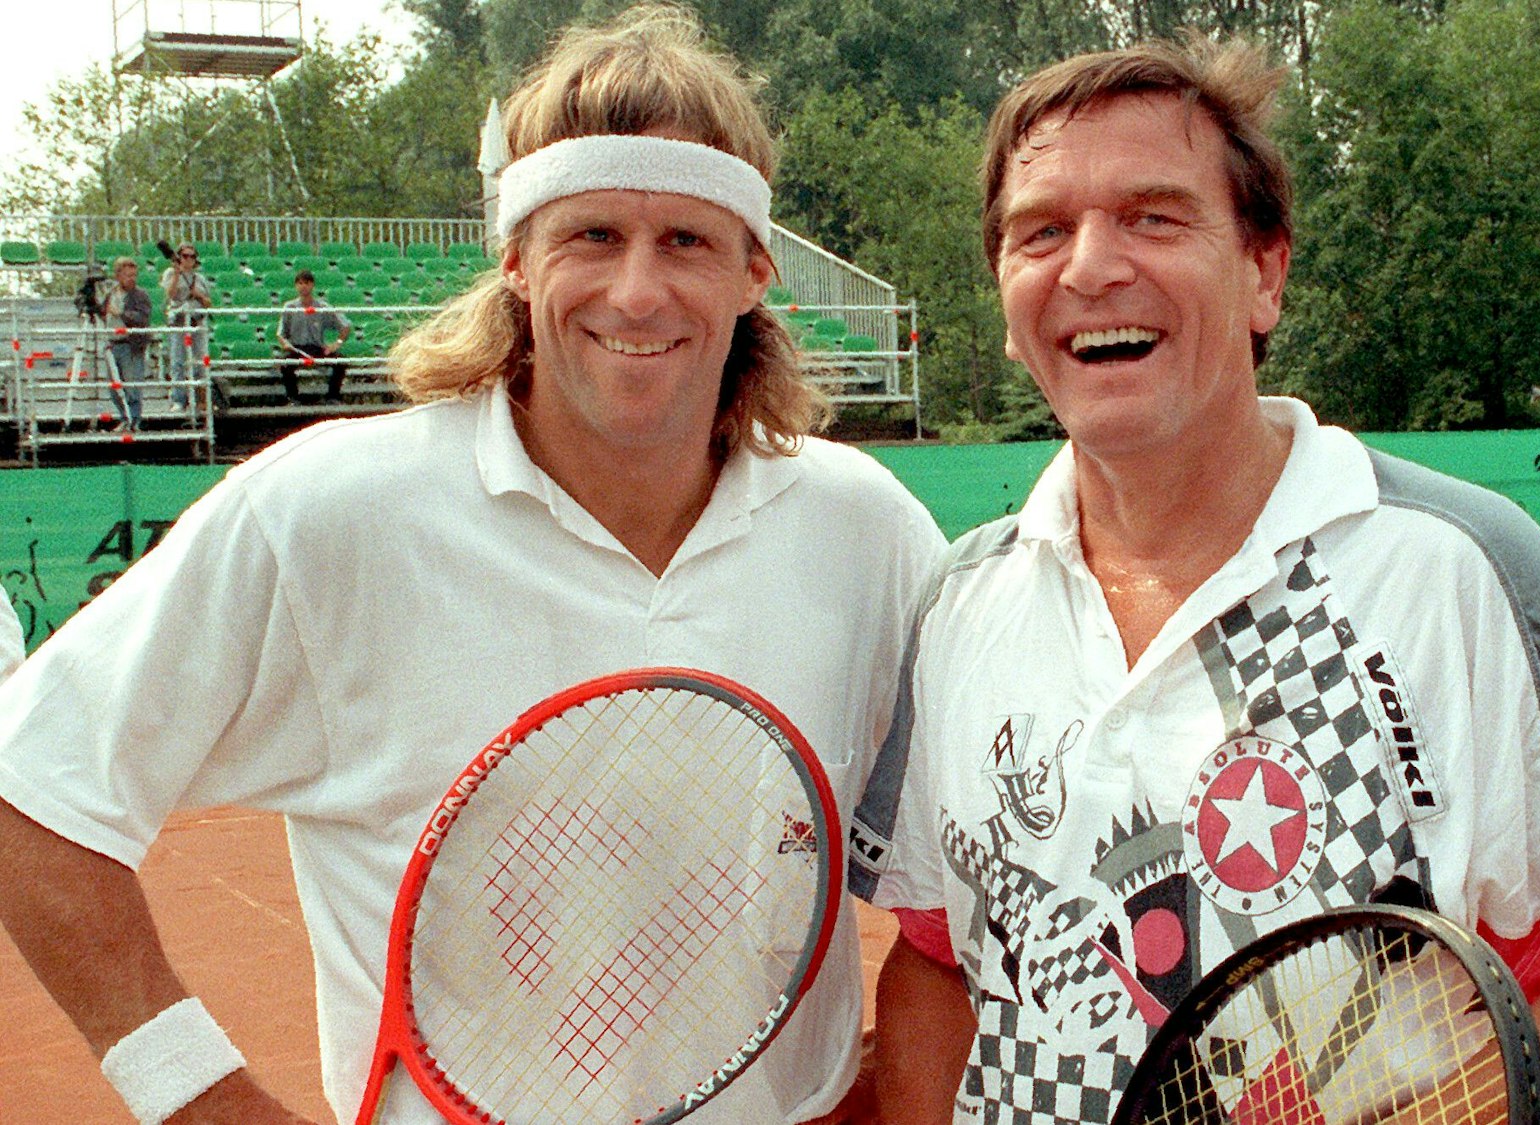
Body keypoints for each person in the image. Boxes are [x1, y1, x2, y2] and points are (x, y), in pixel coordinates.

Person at [0, 8, 941, 1125]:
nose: (636, 293)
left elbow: (965, 876)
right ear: (514, 262)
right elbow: (31, 790)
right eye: (591, 236)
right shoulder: (329, 510)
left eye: (684, 241)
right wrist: (200, 1102)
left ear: (752, 272)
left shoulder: (865, 527)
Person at [850, 34, 1540, 1125]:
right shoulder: (957, 601)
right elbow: (936, 965)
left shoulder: (1459, 565)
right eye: (1041, 232)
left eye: (1153, 217)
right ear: (1005, 303)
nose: (1089, 266)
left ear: (1263, 271)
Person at [275, 268, 352, 404]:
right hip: (296, 348)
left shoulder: (322, 307)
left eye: (306, 283)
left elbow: (345, 326)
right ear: (296, 286)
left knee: (340, 362)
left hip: (316, 348)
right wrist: (285, 344)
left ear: (312, 285)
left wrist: (336, 344)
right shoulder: (289, 307)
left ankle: (332, 397)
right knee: (285, 364)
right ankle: (293, 398)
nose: (303, 286)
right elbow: (280, 333)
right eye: (300, 283)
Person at [99, 256, 152, 431]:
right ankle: (124, 416)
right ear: (119, 275)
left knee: (132, 384)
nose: (132, 279)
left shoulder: (140, 295)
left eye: (134, 275)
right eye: (128, 275)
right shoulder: (111, 294)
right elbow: (102, 311)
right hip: (113, 343)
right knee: (115, 386)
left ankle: (134, 419)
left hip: (130, 343)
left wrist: (122, 313)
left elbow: (143, 318)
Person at [160, 242, 214, 410]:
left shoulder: (200, 278)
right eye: (185, 256)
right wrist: (177, 274)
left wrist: (197, 294)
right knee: (177, 361)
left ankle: (200, 399)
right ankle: (178, 399)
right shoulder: (170, 273)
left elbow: (208, 302)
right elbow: (169, 295)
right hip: (179, 321)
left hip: (196, 320)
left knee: (200, 361)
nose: (188, 259)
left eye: (192, 256)